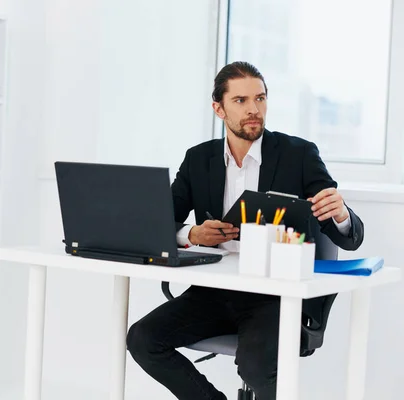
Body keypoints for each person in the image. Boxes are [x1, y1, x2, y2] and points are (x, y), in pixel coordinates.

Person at [126, 61, 364, 400]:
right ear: (218, 108)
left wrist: (340, 214)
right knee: (142, 339)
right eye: (240, 101)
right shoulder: (198, 159)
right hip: (213, 292)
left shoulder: (299, 155)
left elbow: (348, 236)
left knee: (255, 366)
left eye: (260, 98)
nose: (254, 109)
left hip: (274, 297)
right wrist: (192, 235)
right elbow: (160, 222)